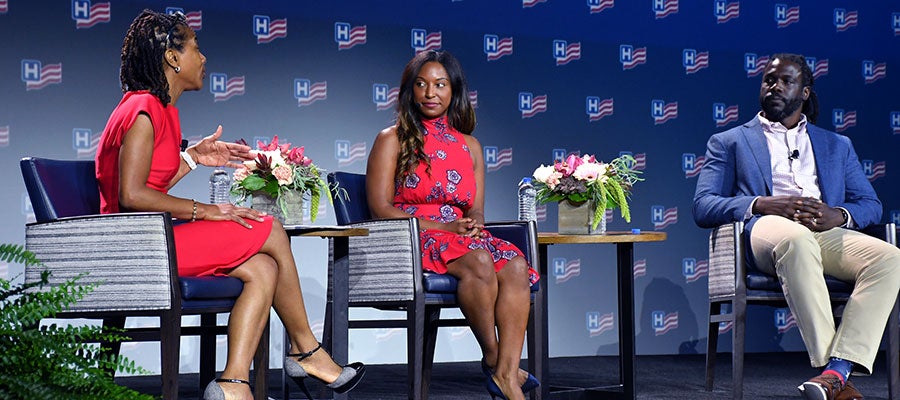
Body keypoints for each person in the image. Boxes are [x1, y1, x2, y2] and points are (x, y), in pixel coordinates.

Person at [95, 10, 364, 400]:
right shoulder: (142, 109)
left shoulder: (163, 109)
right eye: (196, 48)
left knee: (263, 266)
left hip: (156, 237)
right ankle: (306, 349)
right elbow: (132, 196)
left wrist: (194, 157)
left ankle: (233, 384)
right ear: (173, 58)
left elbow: (152, 184)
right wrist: (207, 210)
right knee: (268, 228)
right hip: (137, 246)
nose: (203, 59)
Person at [693, 53, 900, 400]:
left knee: (889, 257)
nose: (774, 86)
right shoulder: (730, 141)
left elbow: (870, 204)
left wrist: (839, 215)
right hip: (765, 230)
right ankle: (833, 372)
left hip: (826, 232)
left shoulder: (837, 145)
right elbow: (703, 205)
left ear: (804, 92)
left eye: (785, 81)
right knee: (796, 239)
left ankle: (837, 371)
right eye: (768, 80)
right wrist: (761, 203)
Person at [366, 50, 540, 400]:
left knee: (518, 266)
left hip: (461, 235)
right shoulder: (392, 138)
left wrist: (473, 224)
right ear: (410, 92)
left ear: (453, 91)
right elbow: (380, 208)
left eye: (440, 85)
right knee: (479, 262)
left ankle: (505, 372)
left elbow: (475, 209)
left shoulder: (471, 146)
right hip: (415, 236)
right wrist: (444, 228)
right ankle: (495, 360)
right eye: (422, 84)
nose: (431, 93)